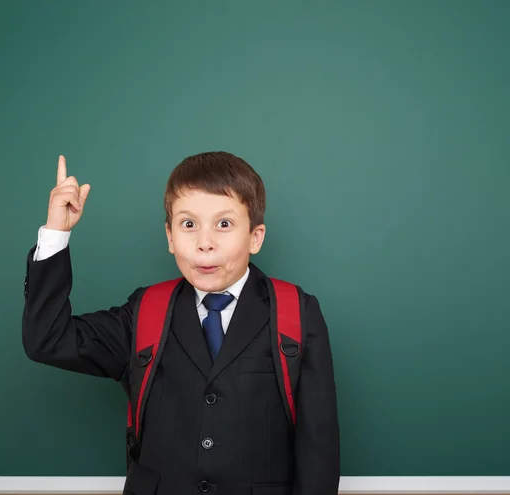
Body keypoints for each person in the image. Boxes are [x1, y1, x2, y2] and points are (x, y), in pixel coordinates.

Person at [22, 152, 340, 495]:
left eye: (224, 224)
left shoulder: (297, 312)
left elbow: (318, 447)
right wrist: (56, 232)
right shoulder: (144, 311)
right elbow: (47, 339)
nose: (205, 243)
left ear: (255, 237)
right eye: (189, 224)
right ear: (170, 237)